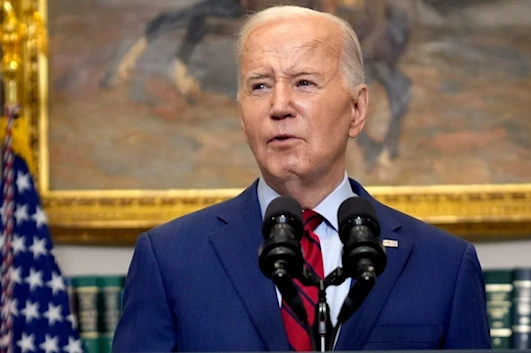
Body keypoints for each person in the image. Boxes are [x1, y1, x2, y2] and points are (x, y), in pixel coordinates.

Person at [112, 5, 491, 352]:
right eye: (260, 86)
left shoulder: (444, 265)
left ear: (357, 110)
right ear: (242, 117)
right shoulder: (169, 260)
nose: (279, 106)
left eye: (304, 83)